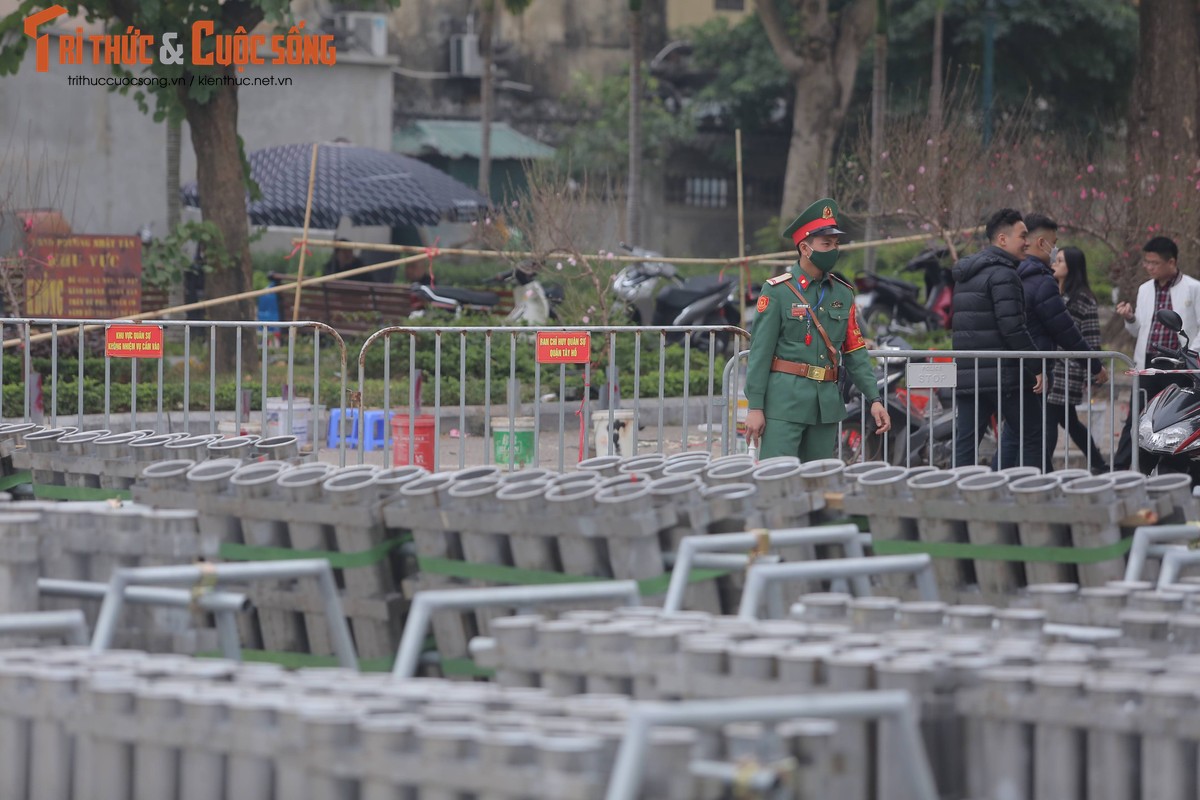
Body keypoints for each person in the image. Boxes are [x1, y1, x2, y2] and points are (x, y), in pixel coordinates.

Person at [744, 198, 890, 461]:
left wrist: (874, 399)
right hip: (784, 404)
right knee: (778, 481)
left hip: (825, 406)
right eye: (826, 243)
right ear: (805, 248)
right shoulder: (778, 291)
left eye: (836, 244)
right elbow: (760, 352)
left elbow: (855, 351)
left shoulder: (843, 294)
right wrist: (755, 406)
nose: (834, 249)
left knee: (818, 482)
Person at [996, 213, 1108, 469]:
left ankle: (1018, 481)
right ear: (1043, 243)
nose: (1056, 252)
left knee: (1022, 433)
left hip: (1028, 371)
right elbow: (1065, 331)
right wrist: (1094, 365)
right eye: (1054, 245)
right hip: (1037, 373)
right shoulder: (1041, 281)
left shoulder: (1013, 275)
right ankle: (1031, 483)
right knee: (1031, 434)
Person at [950, 208, 1044, 469]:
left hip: (970, 374)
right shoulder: (1004, 274)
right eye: (1022, 236)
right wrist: (1036, 366)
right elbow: (1012, 327)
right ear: (1002, 239)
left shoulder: (966, 275)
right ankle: (1031, 496)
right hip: (1004, 377)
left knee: (966, 443)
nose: (1027, 242)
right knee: (1033, 433)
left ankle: (960, 499)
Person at [1112, 236, 1200, 471]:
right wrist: (1130, 318)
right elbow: (1138, 329)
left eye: (1154, 263)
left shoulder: (1193, 287)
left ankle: (1174, 469)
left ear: (1171, 262)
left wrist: (1191, 352)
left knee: (1174, 420)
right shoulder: (1144, 289)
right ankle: (1125, 470)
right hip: (1150, 362)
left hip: (1180, 365)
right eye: (1146, 262)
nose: (1149, 267)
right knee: (1138, 419)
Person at [1046, 246, 1109, 472]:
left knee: (1051, 420)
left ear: (1071, 267)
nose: (1054, 263)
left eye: (1060, 261)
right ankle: (1099, 464)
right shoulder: (1052, 292)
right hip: (1052, 367)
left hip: (1068, 371)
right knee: (1068, 421)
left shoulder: (1084, 299)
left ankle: (1045, 470)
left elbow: (1092, 339)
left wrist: (1094, 372)